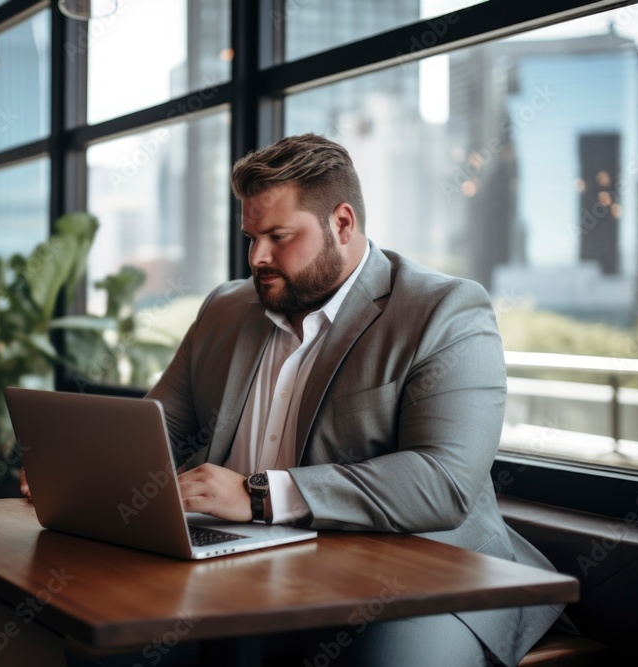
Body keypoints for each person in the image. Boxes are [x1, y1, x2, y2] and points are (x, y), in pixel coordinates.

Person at [41, 134, 565, 666]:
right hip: (252, 563)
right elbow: (161, 428)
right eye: (250, 237)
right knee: (109, 645)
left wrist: (258, 495)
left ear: (342, 223)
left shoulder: (443, 311)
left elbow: (443, 481)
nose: (257, 257)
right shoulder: (226, 308)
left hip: (432, 576)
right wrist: (86, 472)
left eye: (278, 236)